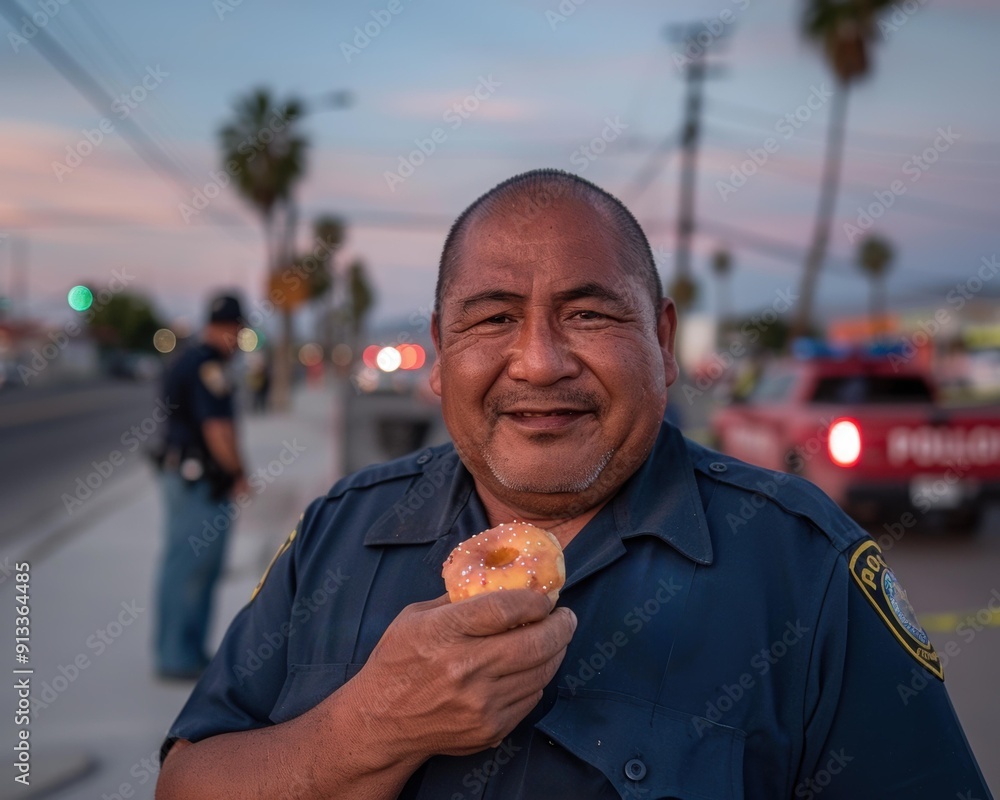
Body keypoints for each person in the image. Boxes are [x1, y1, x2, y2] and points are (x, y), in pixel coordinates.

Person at [157, 172, 991, 798]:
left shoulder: (802, 573)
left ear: (661, 341)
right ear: (441, 356)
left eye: (590, 314)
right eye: (491, 319)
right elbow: (186, 782)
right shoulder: (339, 534)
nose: (541, 361)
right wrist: (367, 727)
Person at [154, 293, 249, 680]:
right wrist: (239, 472)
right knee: (193, 569)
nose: (238, 339)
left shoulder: (190, 358)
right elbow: (217, 429)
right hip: (200, 481)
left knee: (185, 566)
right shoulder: (209, 365)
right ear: (229, 328)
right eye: (238, 330)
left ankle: (182, 650)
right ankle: (178, 657)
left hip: (185, 476)